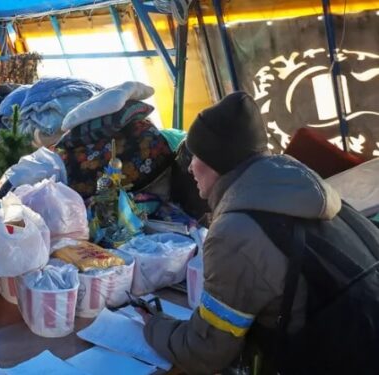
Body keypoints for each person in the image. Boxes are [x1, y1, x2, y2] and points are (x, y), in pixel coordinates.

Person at [139, 92, 379, 374]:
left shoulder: (235, 233)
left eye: (197, 155)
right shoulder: (312, 193)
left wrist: (152, 324)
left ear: (219, 161)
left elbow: (204, 353)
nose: (190, 167)